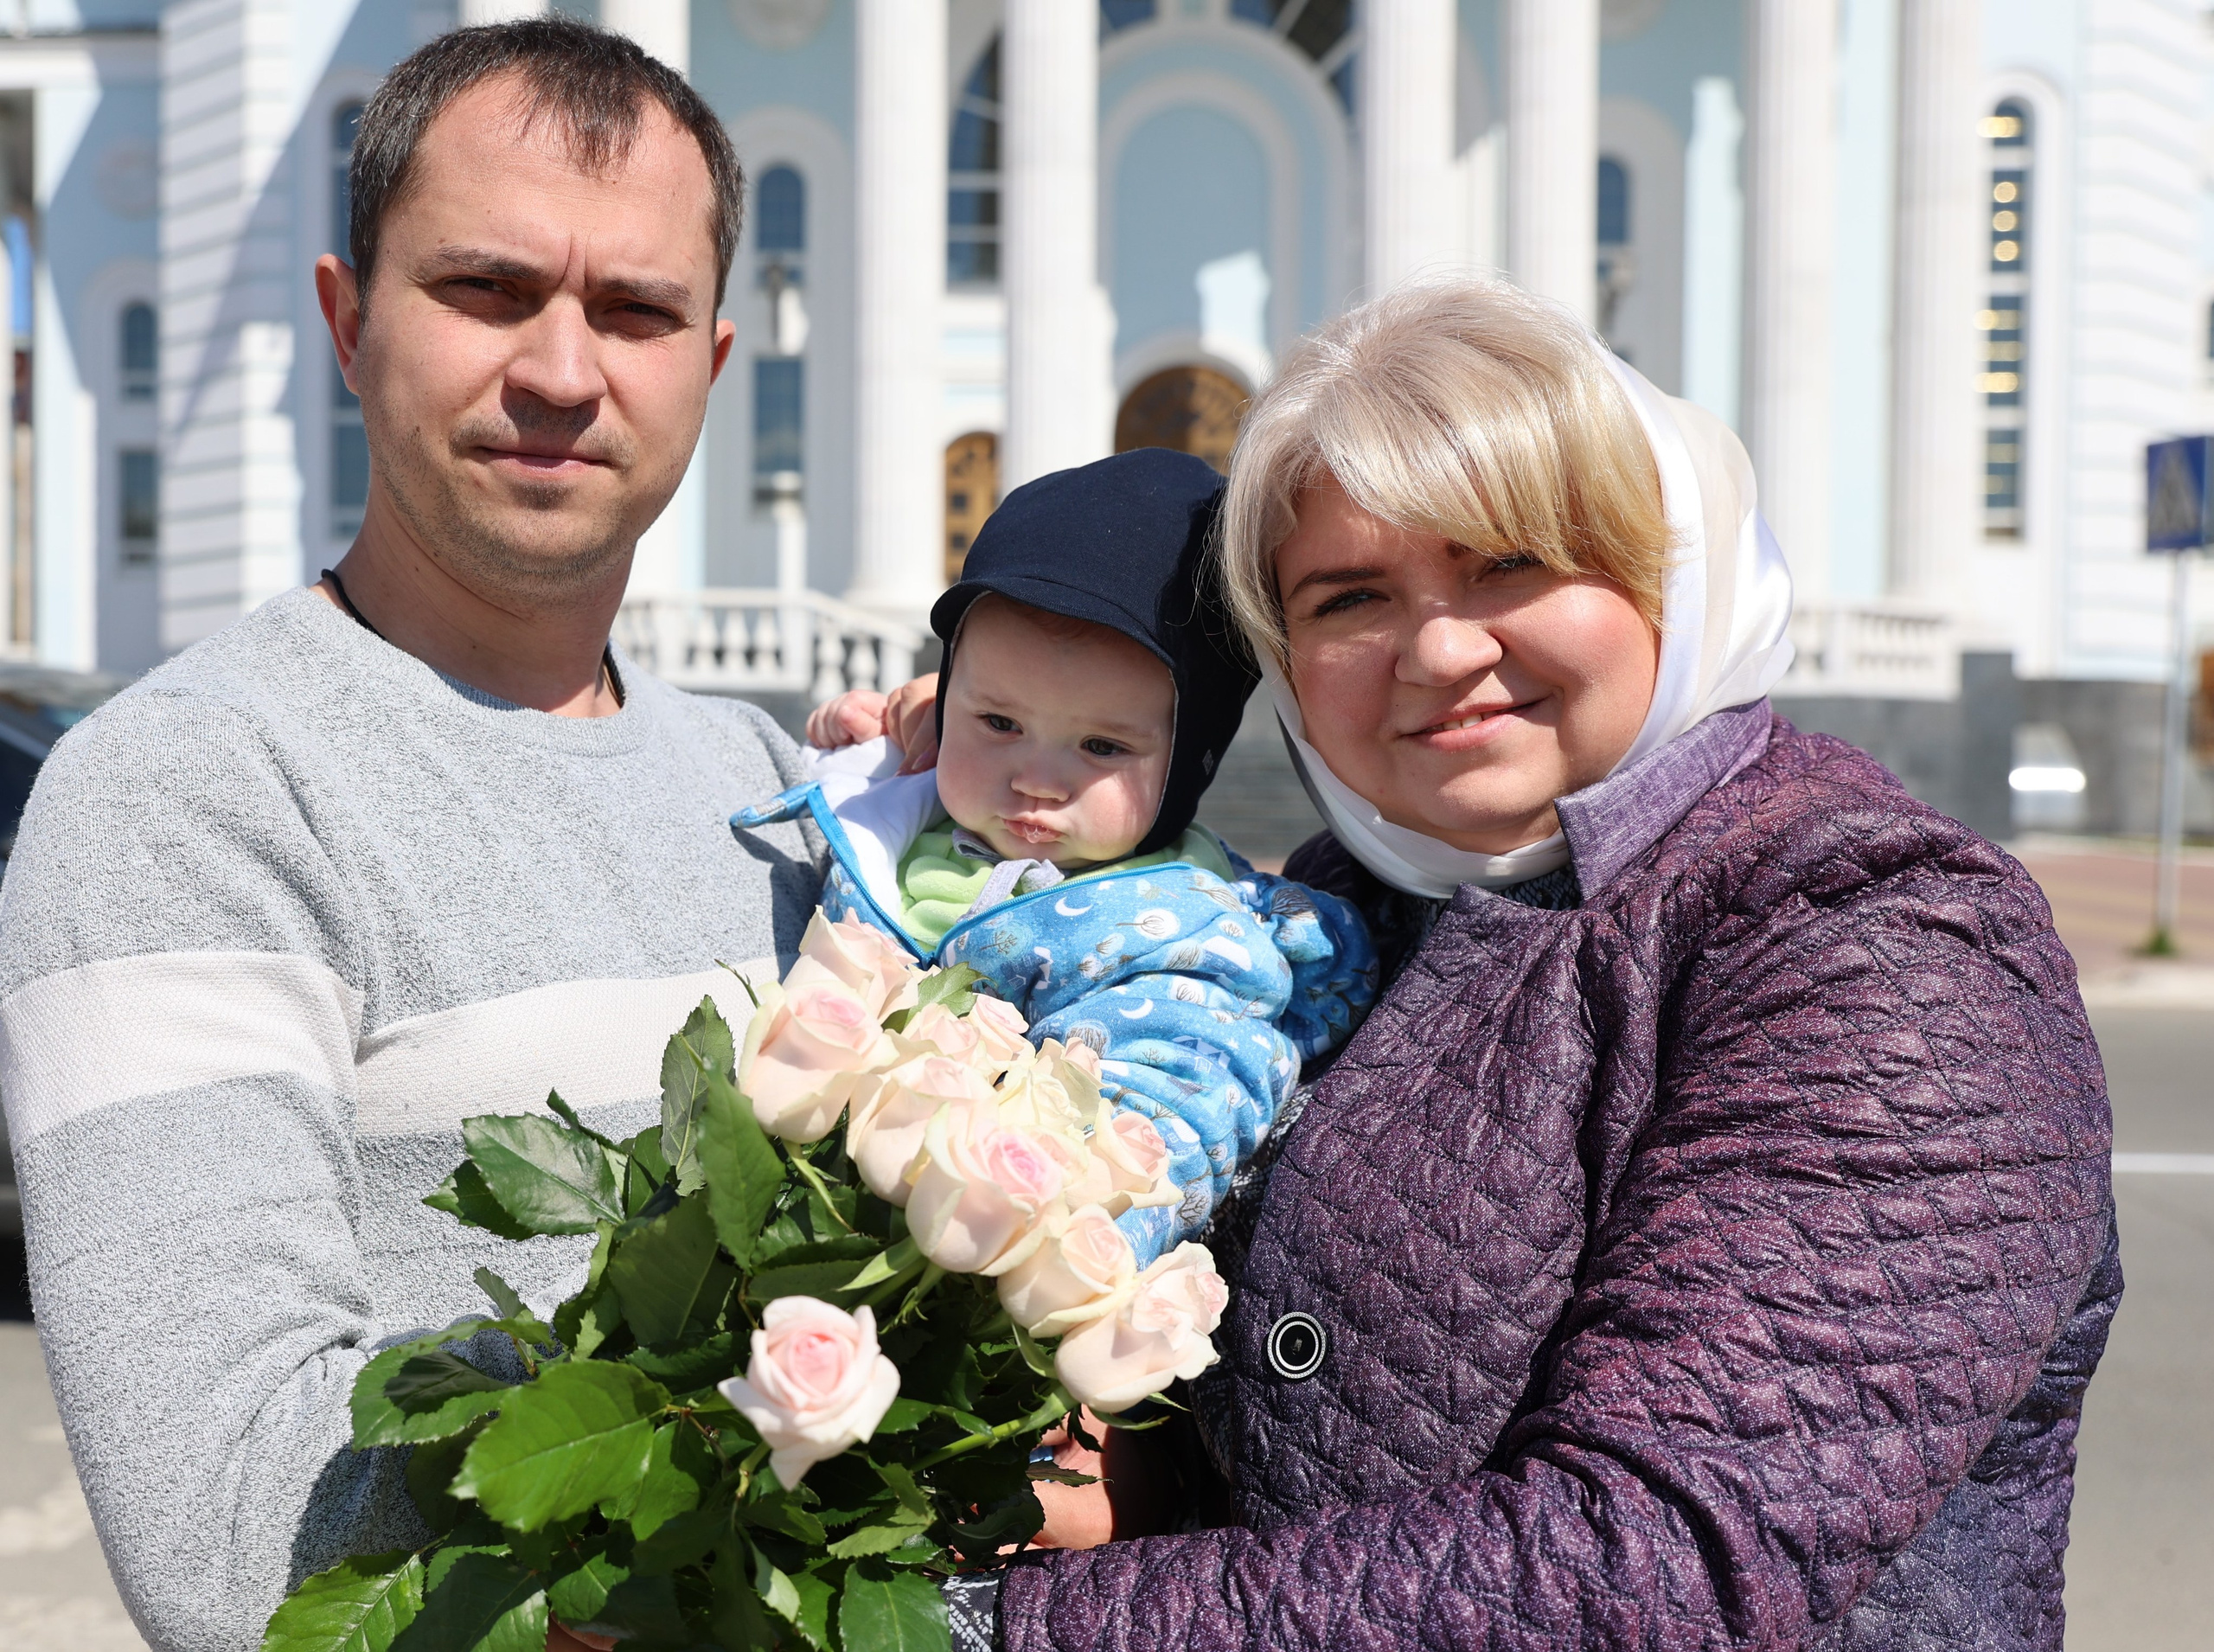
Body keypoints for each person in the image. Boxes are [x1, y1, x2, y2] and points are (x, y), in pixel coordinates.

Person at [913, 278, 2119, 1651]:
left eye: (1510, 562)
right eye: (1350, 595)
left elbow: (1660, 1563)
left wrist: (971, 1626)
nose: (1437, 647)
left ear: (1663, 560)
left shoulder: (1873, 926)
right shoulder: (1316, 911)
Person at [0, 22, 816, 1651]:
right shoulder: (184, 793)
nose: (566, 372)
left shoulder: (778, 789)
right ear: (348, 318)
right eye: (490, 290)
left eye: (636, 310)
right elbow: (245, 1541)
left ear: (712, 369)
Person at [755, 450, 1375, 1265]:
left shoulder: (1187, 935)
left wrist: (1064, 1262)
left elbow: (1176, 1121)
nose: (1035, 780)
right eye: (998, 724)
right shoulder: (907, 815)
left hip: (1001, 1261)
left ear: (1189, 761)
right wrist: (867, 748)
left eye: (1101, 745)